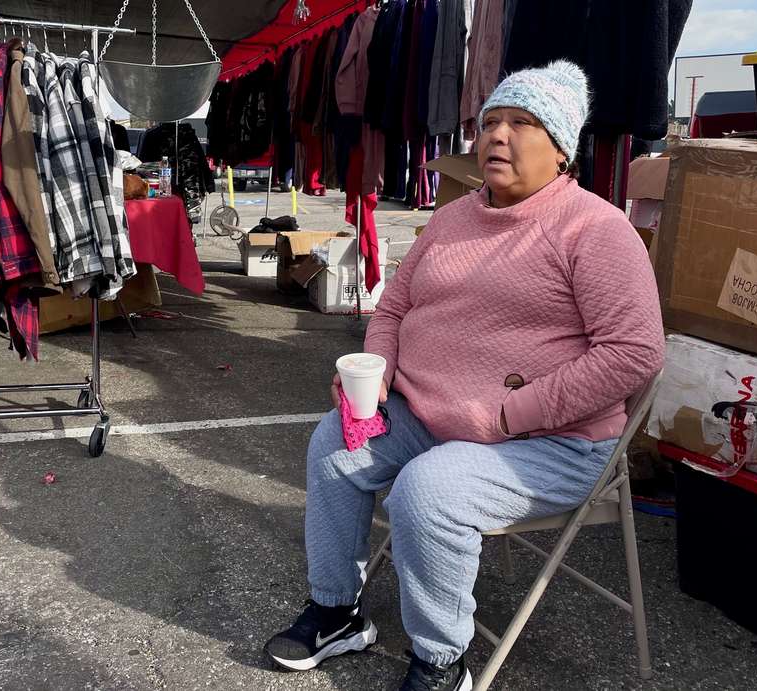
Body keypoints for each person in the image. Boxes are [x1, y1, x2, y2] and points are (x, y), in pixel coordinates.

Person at [263, 61, 664, 691]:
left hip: (552, 441)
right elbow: (394, 305)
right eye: (491, 122)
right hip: (433, 415)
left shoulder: (597, 229)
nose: (498, 136)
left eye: (522, 124)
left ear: (560, 149)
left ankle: (441, 662)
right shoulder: (452, 219)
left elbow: (634, 353)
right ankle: (337, 611)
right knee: (336, 445)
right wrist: (377, 371)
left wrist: (511, 413)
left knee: (429, 491)